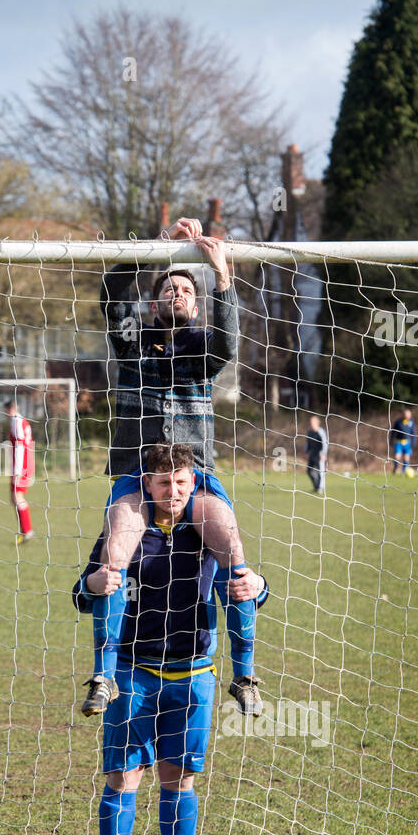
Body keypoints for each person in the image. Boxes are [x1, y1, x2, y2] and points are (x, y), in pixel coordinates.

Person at [83, 214, 264, 719]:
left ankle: (245, 673)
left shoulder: (203, 348)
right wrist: (159, 249)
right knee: (114, 552)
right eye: (169, 287)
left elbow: (230, 343)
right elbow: (111, 294)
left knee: (232, 548)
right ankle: (103, 673)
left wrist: (222, 275)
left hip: (196, 471)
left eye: (187, 288)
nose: (178, 294)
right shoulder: (131, 343)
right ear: (154, 299)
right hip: (138, 473)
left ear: (197, 301)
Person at [74, 443, 268, 835]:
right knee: (123, 776)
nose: (174, 492)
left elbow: (237, 590)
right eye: (165, 483)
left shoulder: (206, 528)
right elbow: (84, 595)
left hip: (193, 671)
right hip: (132, 671)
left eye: (182, 483)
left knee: (179, 778)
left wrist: (259, 587)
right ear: (147, 483)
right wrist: (90, 584)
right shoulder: (127, 527)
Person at [5, 398, 34, 543]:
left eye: (5, 411)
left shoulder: (17, 422)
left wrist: (17, 470)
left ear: (11, 409)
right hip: (22, 464)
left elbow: (20, 446)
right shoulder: (20, 421)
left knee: (18, 497)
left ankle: (27, 531)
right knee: (13, 497)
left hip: (21, 465)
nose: (5, 414)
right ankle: (24, 531)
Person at [304, 415, 328, 494]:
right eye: (310, 422)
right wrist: (306, 452)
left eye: (313, 422)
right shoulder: (310, 432)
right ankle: (316, 486)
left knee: (320, 472)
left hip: (320, 454)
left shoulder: (321, 432)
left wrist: (323, 454)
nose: (311, 423)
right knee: (309, 471)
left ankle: (320, 488)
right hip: (312, 454)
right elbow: (308, 443)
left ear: (317, 422)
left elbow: (325, 443)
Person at [389, 407, 416, 475]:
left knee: (406, 458)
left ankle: (403, 472)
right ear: (403, 414)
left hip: (407, 442)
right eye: (406, 414)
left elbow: (413, 433)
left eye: (408, 414)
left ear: (410, 415)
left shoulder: (411, 422)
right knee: (397, 457)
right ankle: (395, 468)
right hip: (398, 442)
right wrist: (391, 440)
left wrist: (414, 442)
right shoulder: (398, 422)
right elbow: (393, 432)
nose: (407, 415)